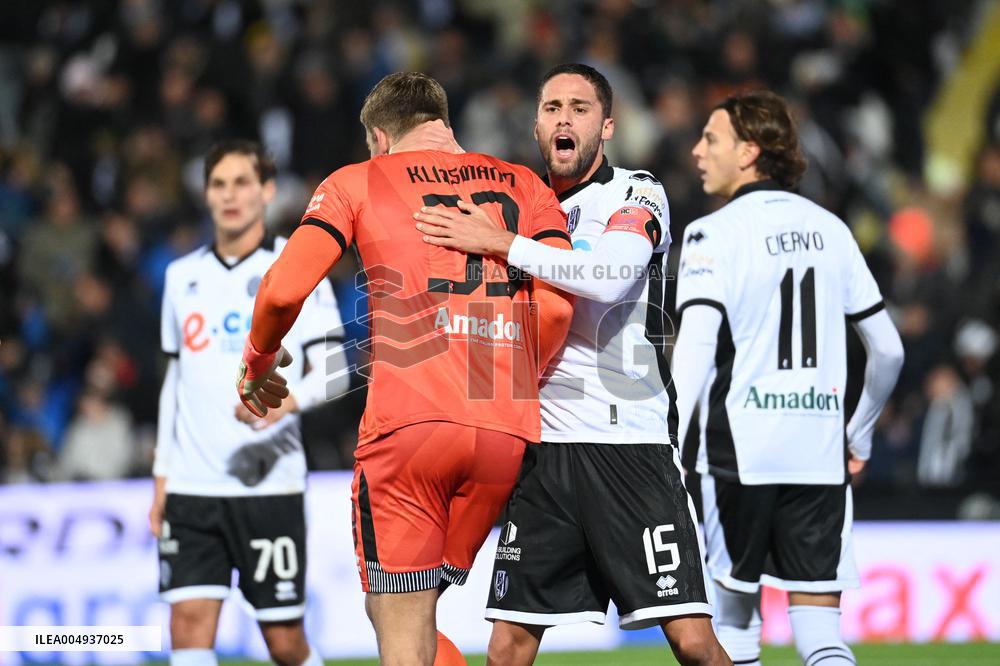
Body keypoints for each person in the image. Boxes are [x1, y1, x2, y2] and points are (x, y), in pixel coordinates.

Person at [237, 72, 575, 666]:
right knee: (414, 610)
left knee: (399, 624)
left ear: (379, 136)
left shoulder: (357, 181)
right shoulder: (526, 185)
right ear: (444, 124)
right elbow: (555, 305)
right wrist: (517, 385)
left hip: (411, 430)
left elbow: (284, 289)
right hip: (504, 437)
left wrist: (258, 360)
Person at [413, 64, 730, 666]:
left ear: (607, 125)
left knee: (693, 644)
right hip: (543, 451)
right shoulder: (516, 207)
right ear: (535, 125)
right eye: (552, 107)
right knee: (507, 648)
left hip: (627, 447)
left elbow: (610, 279)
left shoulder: (637, 192)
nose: (564, 118)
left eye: (580, 108)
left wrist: (500, 244)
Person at [671, 91, 905, 666]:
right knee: (822, 632)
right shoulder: (833, 230)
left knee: (733, 626)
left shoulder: (711, 234)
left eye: (712, 139)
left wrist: (667, 446)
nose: (698, 151)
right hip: (819, 450)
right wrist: (860, 434)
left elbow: (696, 350)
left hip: (735, 453)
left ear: (749, 151)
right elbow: (889, 350)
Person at [151, 139, 348, 666]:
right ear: (205, 194)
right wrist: (162, 475)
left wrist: (287, 404)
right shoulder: (180, 278)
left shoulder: (297, 270)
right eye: (219, 184)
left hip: (269, 484)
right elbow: (176, 381)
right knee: (188, 627)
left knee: (283, 641)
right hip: (193, 484)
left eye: (242, 182)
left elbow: (335, 371)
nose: (229, 196)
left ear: (265, 191)